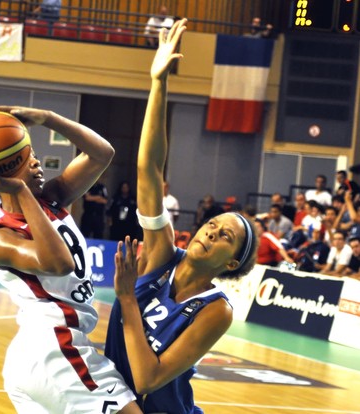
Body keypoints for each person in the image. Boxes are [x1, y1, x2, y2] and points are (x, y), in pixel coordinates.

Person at [105, 20, 258, 414]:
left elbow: (148, 378)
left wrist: (126, 298)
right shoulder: (160, 254)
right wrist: (158, 83)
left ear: (231, 262)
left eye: (225, 236)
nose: (212, 229)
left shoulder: (216, 310)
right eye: (213, 223)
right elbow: (150, 170)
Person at [0, 104, 141, 414]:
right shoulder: (0, 237)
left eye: (31, 153)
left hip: (48, 351)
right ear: (3, 173)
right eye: (24, 158)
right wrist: (20, 190)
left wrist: (48, 118)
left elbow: (102, 154)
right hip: (53, 350)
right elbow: (59, 262)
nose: (35, 161)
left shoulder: (51, 199)